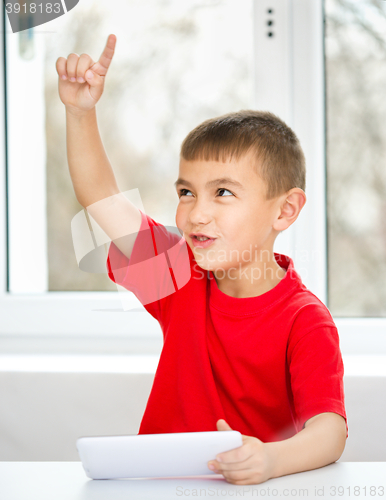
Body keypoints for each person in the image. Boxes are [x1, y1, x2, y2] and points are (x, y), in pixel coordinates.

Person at [56, 34, 348, 486]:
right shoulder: (178, 273)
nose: (197, 212)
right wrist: (80, 113)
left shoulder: (306, 320)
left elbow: (329, 432)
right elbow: (102, 200)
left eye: (223, 192)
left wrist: (269, 461)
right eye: (186, 192)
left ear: (285, 210)